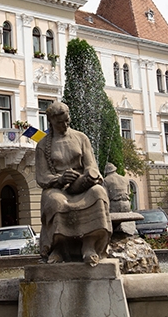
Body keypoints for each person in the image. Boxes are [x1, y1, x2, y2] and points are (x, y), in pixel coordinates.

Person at [34, 102, 111, 264]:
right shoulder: (43, 145)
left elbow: (91, 165)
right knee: (55, 201)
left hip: (81, 185)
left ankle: (89, 245)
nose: (64, 125)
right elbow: (41, 176)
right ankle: (59, 247)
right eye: (59, 122)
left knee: (98, 192)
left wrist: (86, 177)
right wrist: (59, 179)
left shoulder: (81, 138)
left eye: (67, 120)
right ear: (51, 122)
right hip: (58, 188)